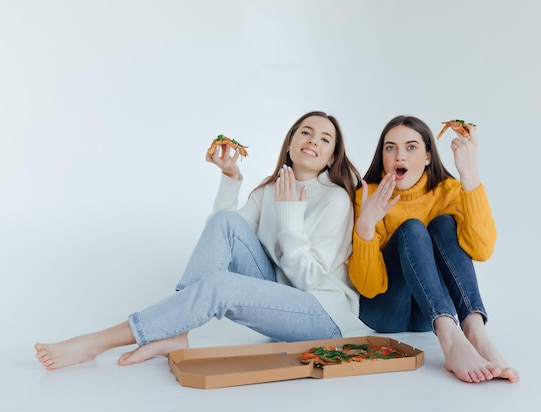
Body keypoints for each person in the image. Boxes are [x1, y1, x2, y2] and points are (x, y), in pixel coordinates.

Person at [35, 110, 363, 370]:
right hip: (277, 302)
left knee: (221, 287)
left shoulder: (336, 200)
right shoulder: (268, 191)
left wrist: (291, 219)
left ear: (332, 157)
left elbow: (309, 282)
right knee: (225, 220)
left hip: (321, 314)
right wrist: (231, 179)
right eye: (305, 132)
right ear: (290, 143)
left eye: (324, 138)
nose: (313, 140)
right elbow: (221, 237)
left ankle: (98, 342)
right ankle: (176, 332)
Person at [348, 115, 519, 383]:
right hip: (384, 312)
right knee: (413, 228)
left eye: (411, 147)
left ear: (428, 156)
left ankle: (475, 331)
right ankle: (451, 340)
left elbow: (482, 249)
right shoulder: (368, 195)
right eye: (390, 147)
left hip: (428, 313)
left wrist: (469, 174)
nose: (399, 156)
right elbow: (369, 288)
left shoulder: (447, 190)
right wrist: (366, 227)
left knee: (443, 223)